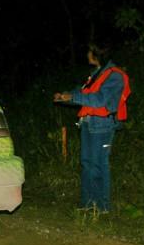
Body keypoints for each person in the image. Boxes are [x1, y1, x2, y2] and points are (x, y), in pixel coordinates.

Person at [53, 43, 130, 213]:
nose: (87, 53)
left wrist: (72, 96)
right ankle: (87, 203)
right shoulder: (97, 74)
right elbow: (83, 95)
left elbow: (99, 100)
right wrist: (65, 98)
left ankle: (102, 206)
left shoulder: (115, 76)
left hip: (102, 125)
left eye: (89, 50)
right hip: (88, 123)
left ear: (97, 53)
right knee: (87, 163)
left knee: (99, 164)